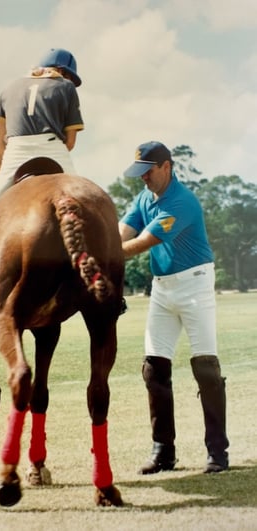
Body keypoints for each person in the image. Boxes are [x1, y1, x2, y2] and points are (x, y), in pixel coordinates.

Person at [0, 47, 84, 314]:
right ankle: (106, 287)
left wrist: (11, 161)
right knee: (89, 210)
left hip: (15, 154)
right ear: (63, 72)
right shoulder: (66, 88)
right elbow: (71, 142)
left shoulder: (9, 88)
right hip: (54, 150)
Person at [119, 141, 229, 474]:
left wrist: (105, 255)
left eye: (148, 172)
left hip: (195, 285)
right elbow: (122, 233)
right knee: (154, 368)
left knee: (206, 366)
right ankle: (163, 452)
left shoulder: (182, 202)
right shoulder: (144, 199)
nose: (143, 179)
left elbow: (141, 243)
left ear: (166, 167)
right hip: (162, 289)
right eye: (139, 173)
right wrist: (101, 246)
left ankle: (217, 453)